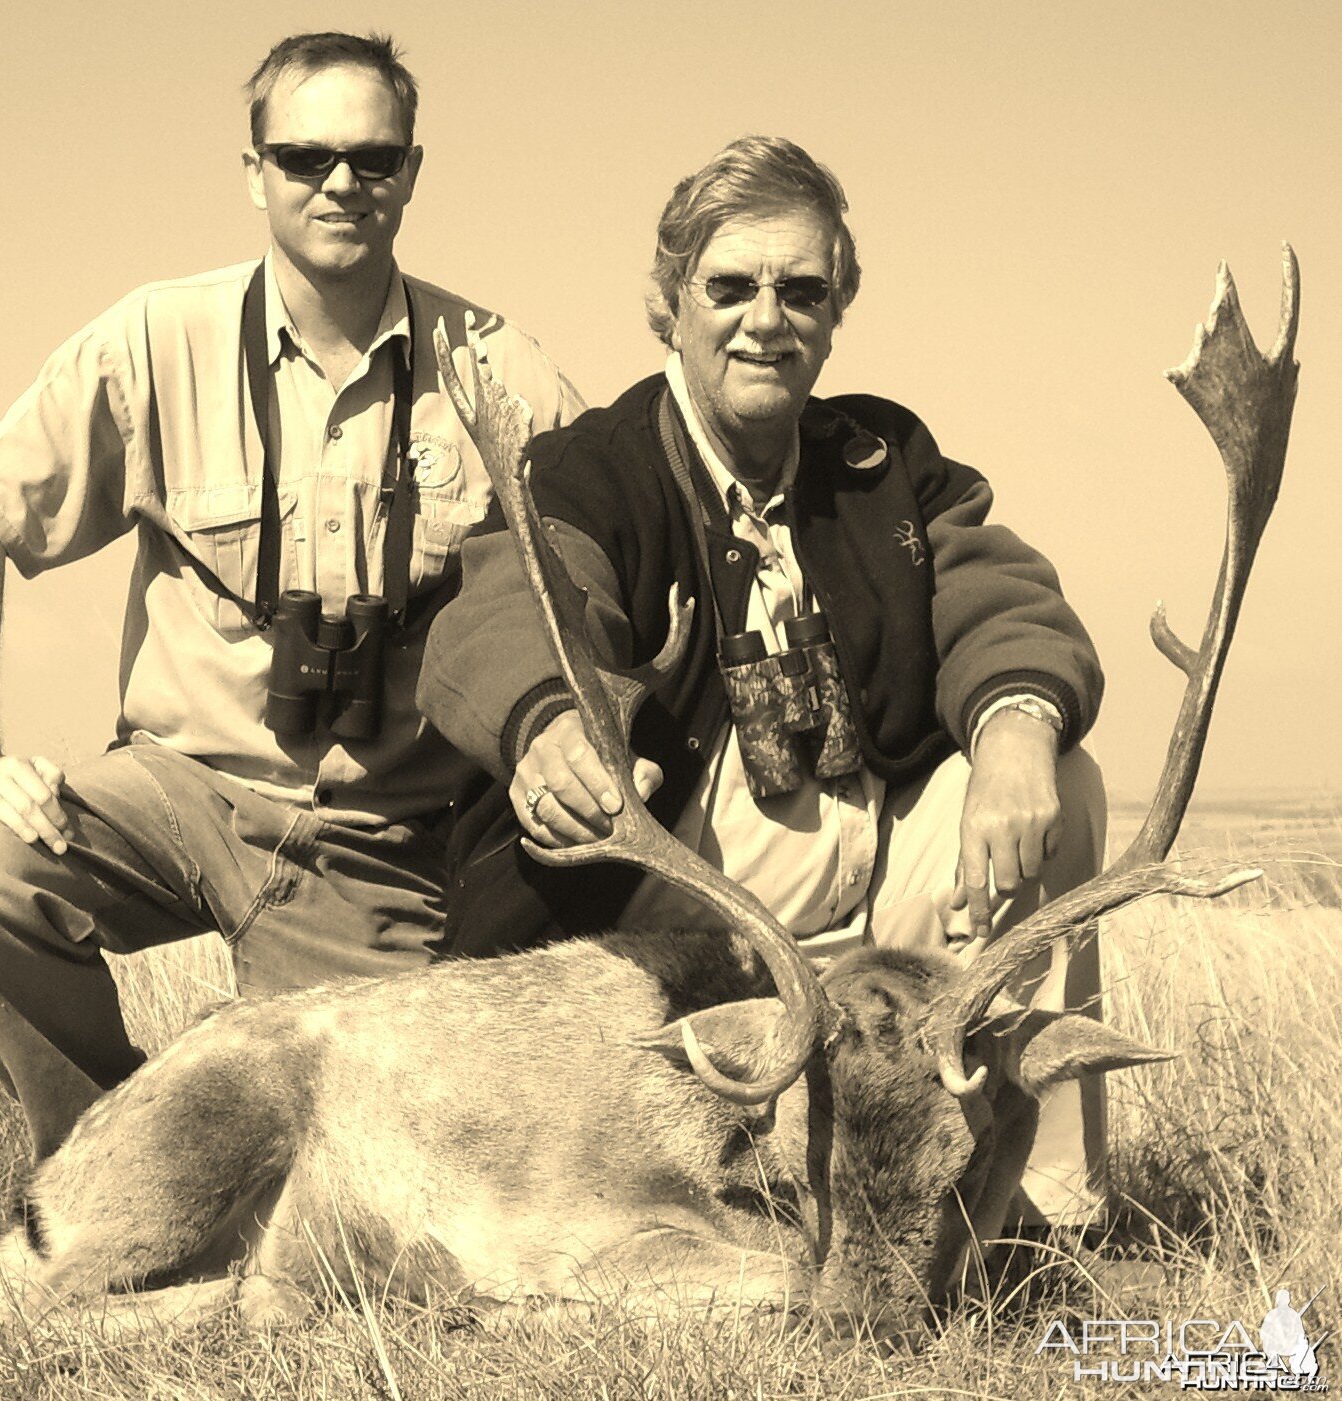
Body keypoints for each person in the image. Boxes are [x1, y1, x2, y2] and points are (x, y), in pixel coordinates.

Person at [0, 31, 584, 1160]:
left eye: (373, 158)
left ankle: (211, 1170)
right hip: (181, 792)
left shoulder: (504, 372)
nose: (340, 184)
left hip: (382, 840)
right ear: (254, 171)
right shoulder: (152, 338)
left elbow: (593, 584)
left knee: (367, 1165)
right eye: (306, 156)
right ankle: (101, 1157)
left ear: (413, 172)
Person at [419, 135, 1108, 1225]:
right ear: (667, 303)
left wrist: (1018, 723)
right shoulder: (590, 470)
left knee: (1063, 785)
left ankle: (1042, 1207)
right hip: (673, 925)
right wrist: (550, 720)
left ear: (839, 306)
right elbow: (517, 605)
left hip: (880, 910)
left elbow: (997, 593)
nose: (765, 318)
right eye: (729, 286)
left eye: (800, 289)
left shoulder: (882, 459)